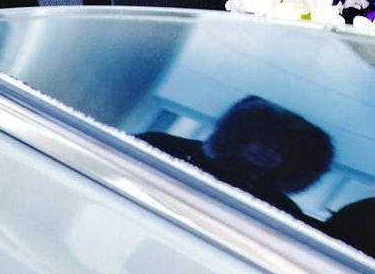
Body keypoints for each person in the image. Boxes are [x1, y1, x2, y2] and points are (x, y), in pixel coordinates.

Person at [137, 95, 333, 224]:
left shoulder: (277, 209)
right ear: (241, 135)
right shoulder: (164, 148)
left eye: (281, 151)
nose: (269, 152)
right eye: (264, 141)